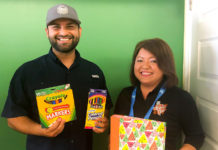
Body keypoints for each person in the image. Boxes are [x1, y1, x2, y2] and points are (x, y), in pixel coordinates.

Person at [1, 4, 113, 150]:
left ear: (79, 31)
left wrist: (102, 122)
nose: (63, 32)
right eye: (56, 27)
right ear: (47, 32)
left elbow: (103, 109)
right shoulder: (27, 71)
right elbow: (13, 119)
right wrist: (41, 130)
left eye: (70, 26)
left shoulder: (94, 72)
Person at [113, 38, 204, 150]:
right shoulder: (125, 95)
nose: (145, 66)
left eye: (153, 61)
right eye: (140, 60)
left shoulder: (181, 98)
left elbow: (196, 136)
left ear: (165, 65)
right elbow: (113, 132)